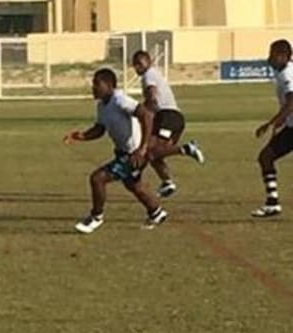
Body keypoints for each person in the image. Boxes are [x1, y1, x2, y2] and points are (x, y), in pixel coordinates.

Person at [64, 68, 168, 234]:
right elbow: (99, 129)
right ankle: (156, 212)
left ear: (109, 85)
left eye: (97, 84)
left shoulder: (120, 99)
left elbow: (146, 115)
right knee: (134, 185)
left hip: (134, 154)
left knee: (97, 178)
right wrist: (81, 136)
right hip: (123, 153)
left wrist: (142, 149)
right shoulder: (102, 106)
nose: (93, 88)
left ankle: (96, 217)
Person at [131, 50, 205, 198]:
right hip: (169, 117)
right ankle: (167, 183)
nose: (136, 69)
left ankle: (187, 148)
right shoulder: (152, 73)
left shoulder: (149, 74)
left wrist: (142, 111)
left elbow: (152, 96)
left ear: (143, 63)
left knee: (150, 150)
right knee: (154, 153)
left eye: (137, 65)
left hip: (168, 116)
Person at [251, 39, 293, 218]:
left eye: (273, 54)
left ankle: (272, 202)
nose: (270, 58)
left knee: (266, 157)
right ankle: (272, 203)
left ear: (283, 56)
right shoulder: (283, 72)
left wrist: (274, 122)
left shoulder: (288, 74)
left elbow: (292, 102)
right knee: (266, 157)